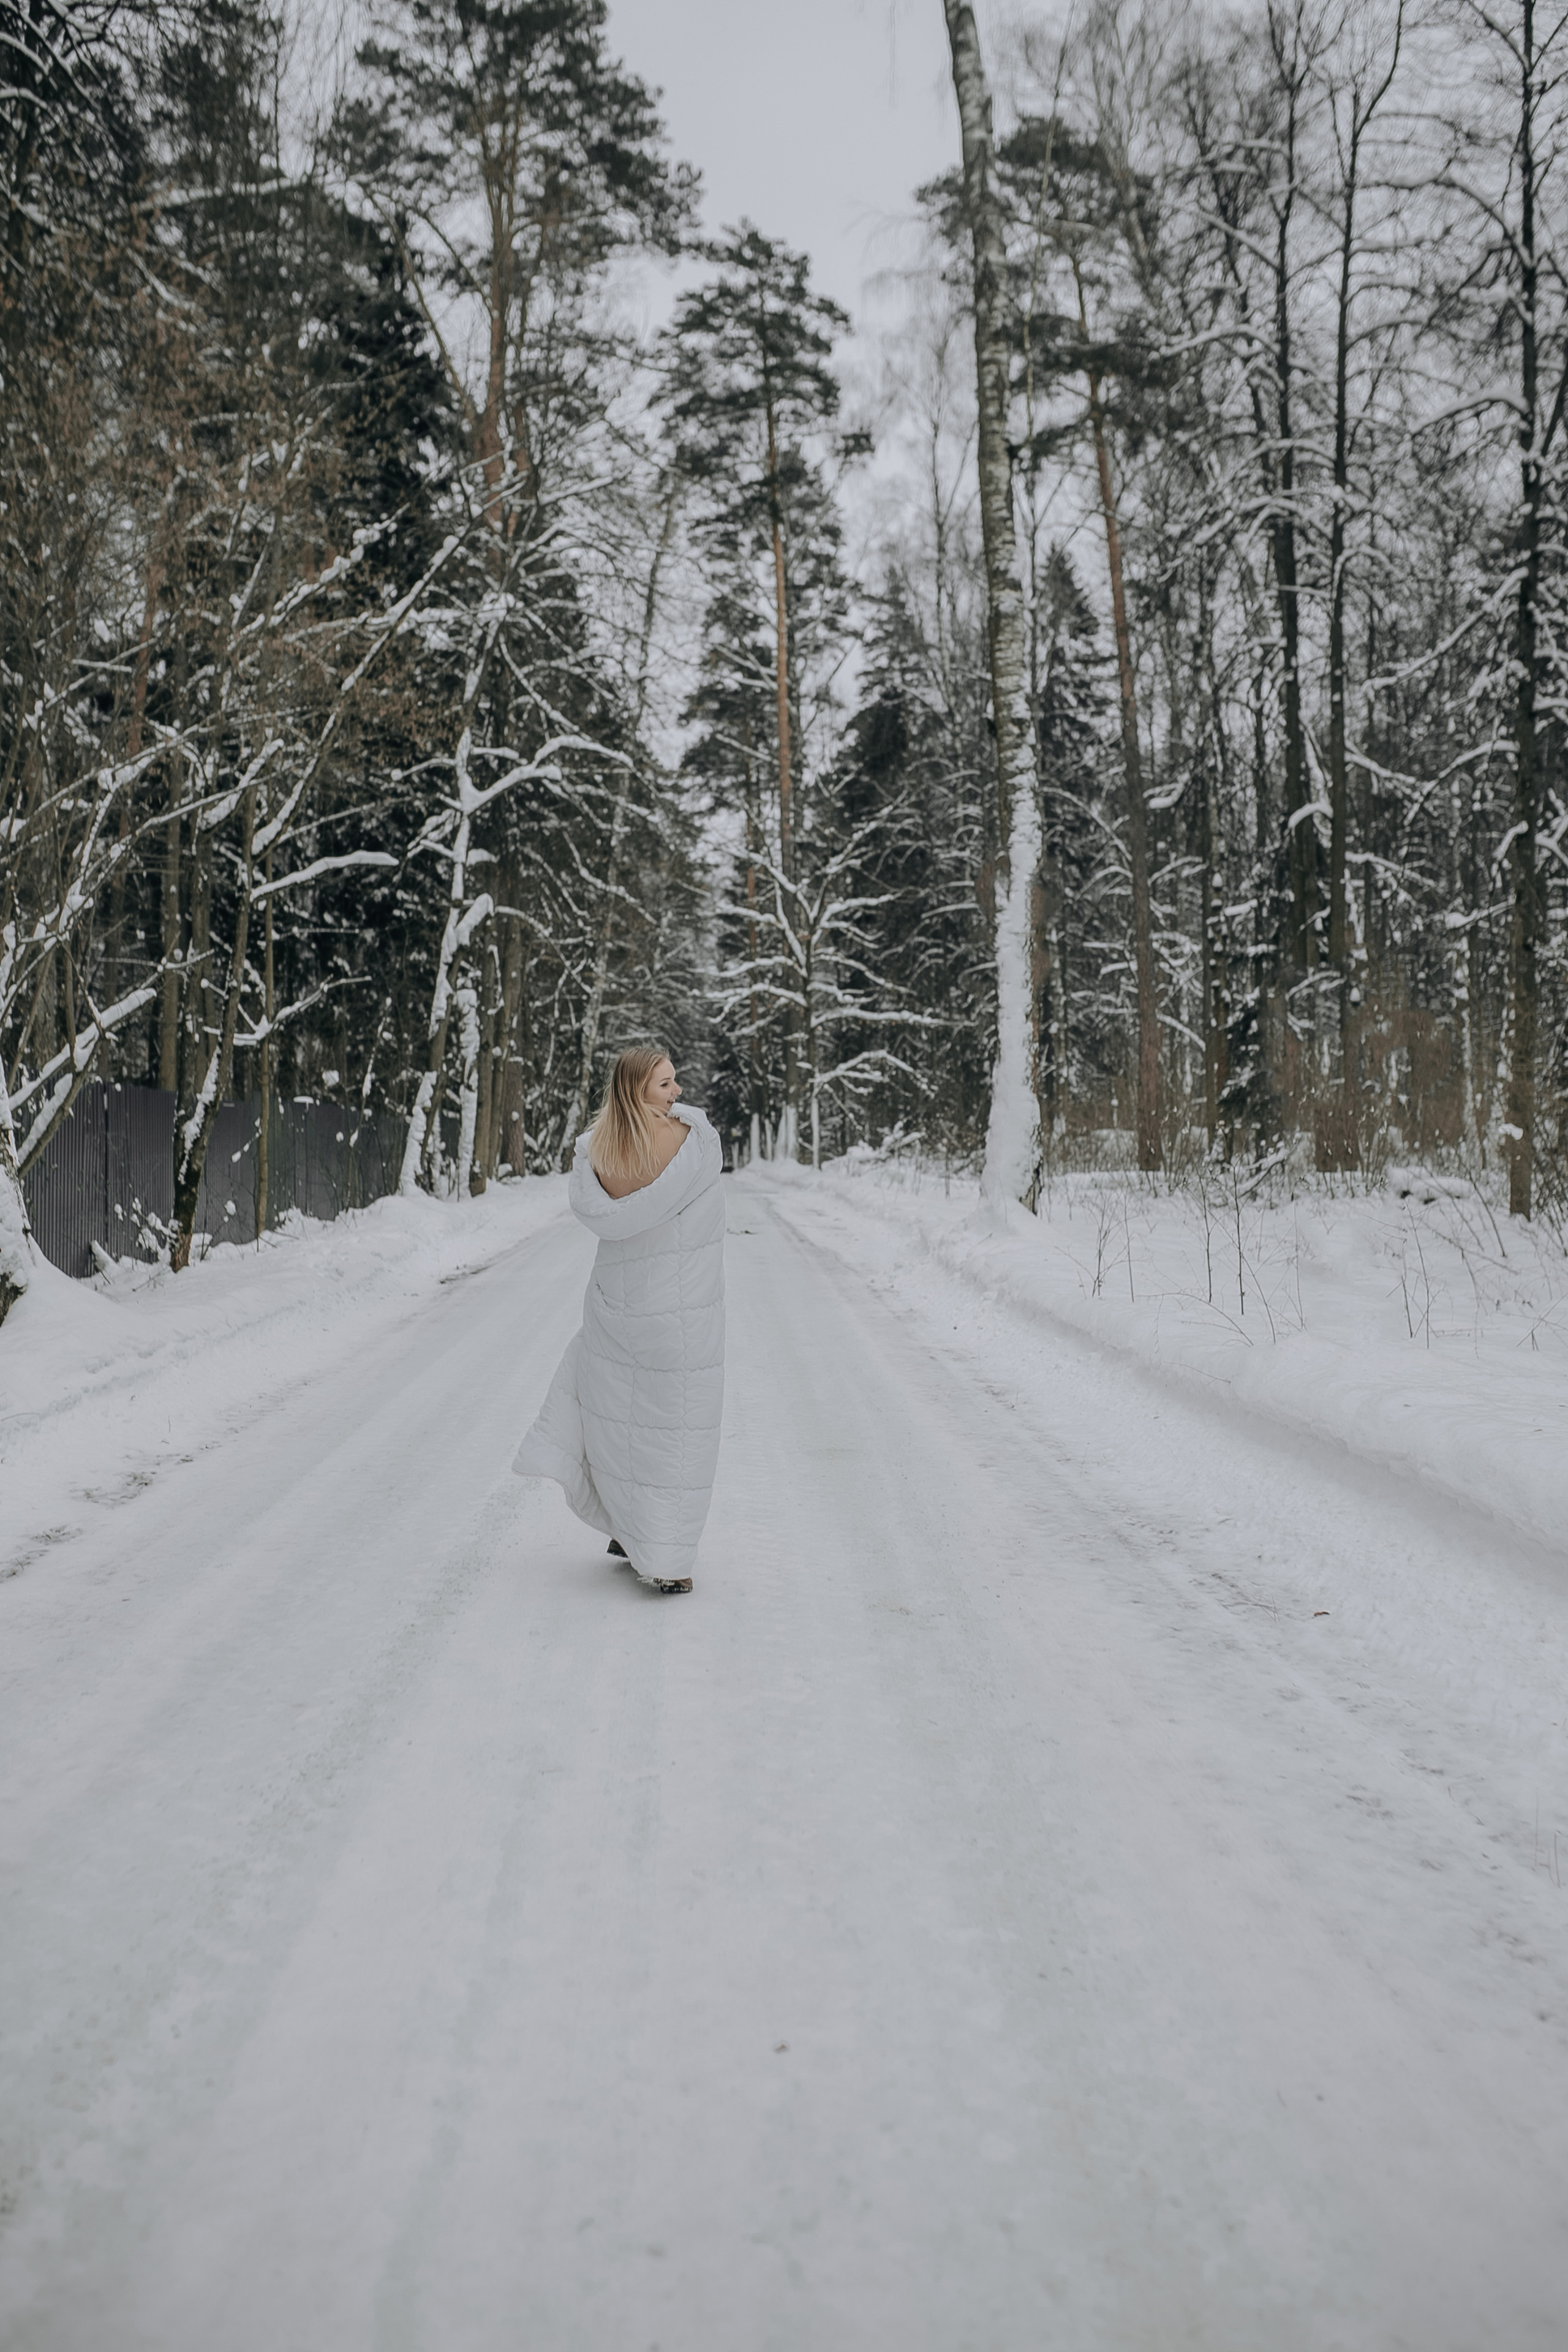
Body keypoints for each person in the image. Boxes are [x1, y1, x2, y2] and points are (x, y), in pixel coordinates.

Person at [514, 1047, 725, 1595]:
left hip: (616, 1307)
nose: (677, 1092)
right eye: (665, 1085)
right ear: (637, 1091)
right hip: (679, 1312)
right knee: (675, 1433)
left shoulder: (598, 1153)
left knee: (615, 1420)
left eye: (675, 1081)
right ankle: (669, 1558)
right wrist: (692, 1121)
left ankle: (625, 1529)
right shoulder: (691, 1141)